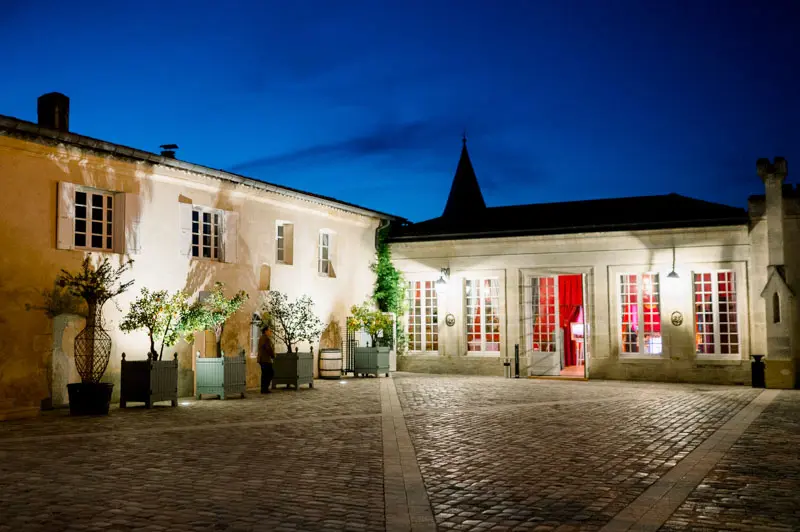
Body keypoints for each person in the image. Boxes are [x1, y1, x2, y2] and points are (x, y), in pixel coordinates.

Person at [257, 324, 276, 393]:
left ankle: (264, 389)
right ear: (265, 331)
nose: (270, 332)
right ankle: (265, 388)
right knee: (270, 373)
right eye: (269, 330)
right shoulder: (266, 338)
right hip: (265, 359)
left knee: (265, 374)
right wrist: (272, 355)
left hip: (262, 359)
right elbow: (268, 348)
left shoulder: (262, 338)